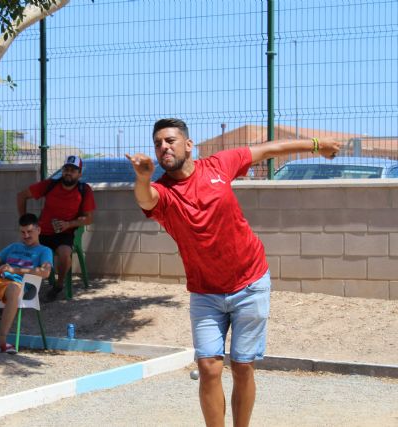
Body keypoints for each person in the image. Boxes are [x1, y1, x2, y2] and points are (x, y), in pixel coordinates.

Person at [126, 118, 342, 427]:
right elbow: (146, 199)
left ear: (188, 145)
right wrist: (143, 178)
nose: (163, 147)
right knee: (209, 368)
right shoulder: (163, 192)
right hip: (205, 293)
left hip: (250, 283)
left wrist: (318, 146)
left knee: (243, 368)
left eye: (170, 141)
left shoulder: (218, 165)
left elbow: (270, 149)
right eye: (158, 143)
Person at [17, 155, 96, 301]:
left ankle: (58, 286)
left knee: (65, 254)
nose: (69, 172)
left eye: (73, 170)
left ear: (80, 174)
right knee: (23, 254)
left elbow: (89, 218)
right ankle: (19, 289)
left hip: (64, 233)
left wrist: (69, 224)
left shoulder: (84, 190)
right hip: (42, 232)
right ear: (62, 170)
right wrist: (25, 222)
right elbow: (21, 196)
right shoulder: (50, 185)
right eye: (66, 169)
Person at [0, 213, 53, 354]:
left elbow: (45, 272)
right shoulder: (13, 247)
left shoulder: (44, 251)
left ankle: (1, 342)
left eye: (29, 232)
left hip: (18, 286)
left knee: (13, 289)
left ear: (38, 230)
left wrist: (15, 269)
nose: (26, 235)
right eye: (22, 232)